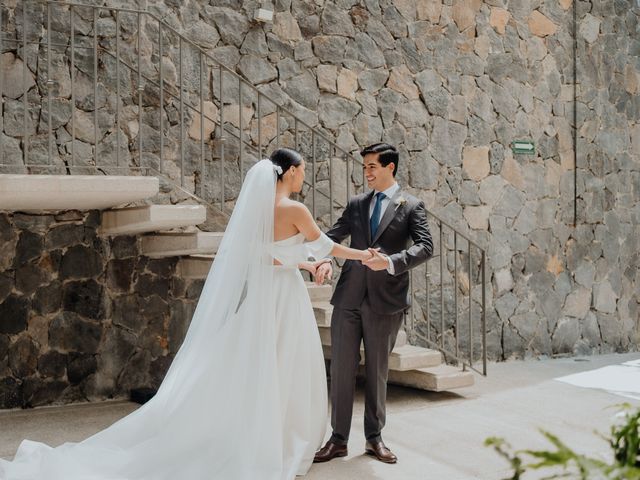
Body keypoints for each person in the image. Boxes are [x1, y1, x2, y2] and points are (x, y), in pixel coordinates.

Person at [0, 148, 373, 480]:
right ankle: (278, 440)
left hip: (266, 294)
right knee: (286, 364)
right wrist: (364, 256)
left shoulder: (257, 211)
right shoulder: (294, 208)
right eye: (303, 169)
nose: (304, 175)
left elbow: (267, 255)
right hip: (286, 297)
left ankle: (254, 435)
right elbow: (325, 245)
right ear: (290, 172)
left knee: (260, 364)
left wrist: (307, 267)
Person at [313, 143, 433, 465]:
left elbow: (425, 247)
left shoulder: (412, 206)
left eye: (372, 167)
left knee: (378, 371)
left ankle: (374, 438)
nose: (366, 172)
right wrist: (321, 260)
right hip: (349, 297)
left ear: (389, 167)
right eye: (364, 167)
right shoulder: (356, 204)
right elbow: (332, 237)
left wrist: (391, 262)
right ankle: (337, 439)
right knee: (340, 369)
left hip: (386, 300)